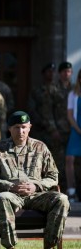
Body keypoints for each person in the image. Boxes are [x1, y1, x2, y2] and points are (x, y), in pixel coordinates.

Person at [0, 111, 69, 249]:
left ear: (29, 127)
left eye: (23, 127)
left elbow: (53, 176)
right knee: (2, 198)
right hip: (12, 195)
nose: (20, 131)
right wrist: (9, 186)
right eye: (16, 127)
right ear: (10, 128)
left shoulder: (40, 148)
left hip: (37, 195)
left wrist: (36, 186)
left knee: (62, 199)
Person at [49, 61, 73, 191]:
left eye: (69, 72)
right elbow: (47, 111)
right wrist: (53, 129)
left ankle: (73, 189)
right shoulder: (53, 89)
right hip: (59, 130)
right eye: (64, 71)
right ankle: (58, 189)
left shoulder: (75, 89)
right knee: (58, 162)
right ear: (59, 73)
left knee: (74, 162)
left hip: (73, 130)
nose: (66, 74)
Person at [28, 63, 56, 146]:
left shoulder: (58, 90)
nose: (51, 74)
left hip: (57, 130)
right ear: (43, 74)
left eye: (53, 71)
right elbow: (31, 109)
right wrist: (42, 122)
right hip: (40, 129)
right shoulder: (36, 90)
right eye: (49, 71)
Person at [65, 69, 81, 202]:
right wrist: (78, 129)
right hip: (77, 129)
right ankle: (71, 190)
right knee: (69, 158)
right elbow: (70, 115)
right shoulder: (73, 94)